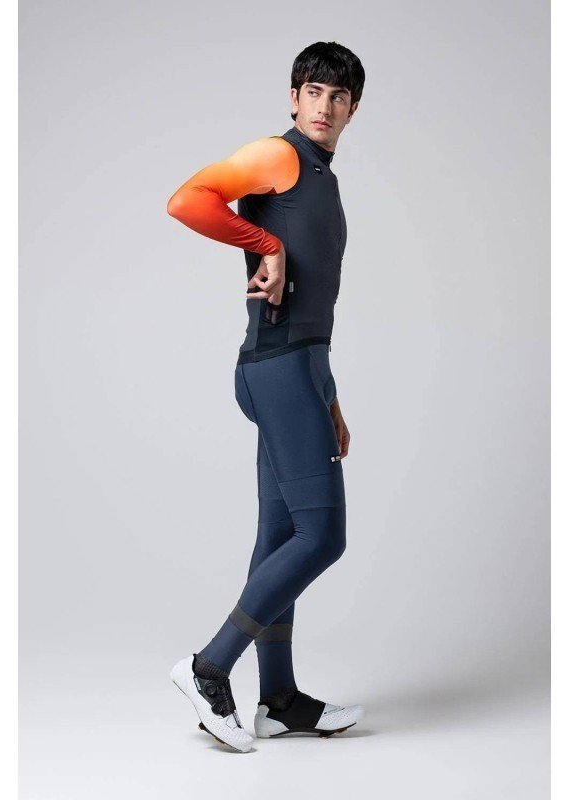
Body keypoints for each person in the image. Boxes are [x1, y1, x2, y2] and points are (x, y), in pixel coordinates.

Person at [166, 41, 366, 753]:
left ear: (352, 110)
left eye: (339, 97)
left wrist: (329, 397)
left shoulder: (324, 179)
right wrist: (265, 245)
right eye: (314, 92)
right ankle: (209, 667)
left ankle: (278, 700)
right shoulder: (277, 156)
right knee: (323, 536)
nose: (325, 106)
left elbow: (317, 308)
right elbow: (187, 200)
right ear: (293, 96)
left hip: (301, 369)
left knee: (281, 538)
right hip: (277, 370)